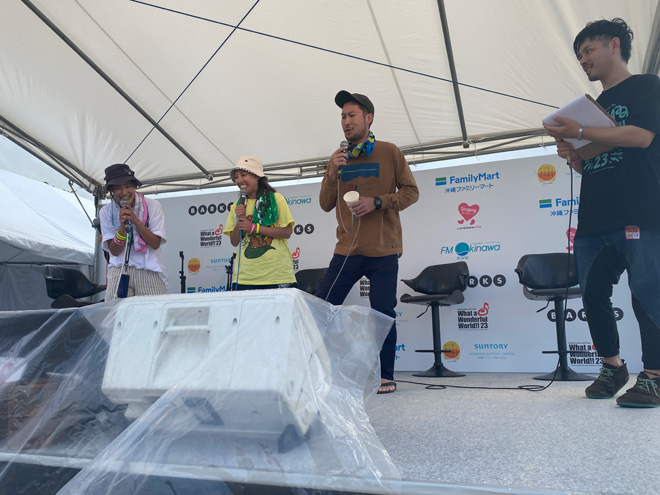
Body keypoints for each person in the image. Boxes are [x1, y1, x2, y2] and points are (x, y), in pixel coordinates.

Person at [544, 18, 660, 408]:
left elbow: (641, 136)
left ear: (614, 45)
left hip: (640, 209)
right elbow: (592, 164)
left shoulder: (647, 86)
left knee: (647, 291)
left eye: (588, 50)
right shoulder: (592, 108)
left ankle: (655, 375)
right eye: (579, 55)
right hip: (595, 215)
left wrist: (582, 131)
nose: (583, 60)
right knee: (593, 292)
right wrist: (573, 155)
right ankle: (613, 367)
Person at [316, 91, 419, 395]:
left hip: (383, 249)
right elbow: (325, 204)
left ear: (368, 118)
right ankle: (319, 371)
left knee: (383, 312)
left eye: (352, 115)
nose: (346, 121)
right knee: (322, 307)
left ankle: (386, 375)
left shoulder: (389, 151)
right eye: (343, 116)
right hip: (347, 249)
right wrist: (331, 173)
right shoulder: (337, 158)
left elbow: (411, 192)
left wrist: (377, 201)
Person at [224, 156, 297, 290]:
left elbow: (286, 232)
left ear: (257, 176)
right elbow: (234, 241)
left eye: (243, 175)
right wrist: (239, 220)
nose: (239, 180)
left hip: (277, 275)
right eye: (236, 177)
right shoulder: (237, 206)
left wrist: (253, 227)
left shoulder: (276, 199)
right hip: (245, 277)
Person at [100, 163, 168, 300]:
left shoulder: (152, 206)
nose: (124, 192)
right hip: (119, 269)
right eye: (118, 188)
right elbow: (114, 251)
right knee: (116, 312)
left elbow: (155, 243)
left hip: (149, 269)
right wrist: (122, 227)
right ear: (111, 191)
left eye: (128, 186)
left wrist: (136, 221)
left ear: (135, 186)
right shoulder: (106, 212)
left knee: (152, 312)